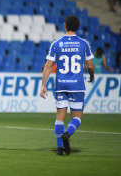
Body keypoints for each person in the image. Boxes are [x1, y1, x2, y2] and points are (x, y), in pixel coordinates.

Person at [41, 15, 95, 156]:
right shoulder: (84, 44)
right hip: (77, 85)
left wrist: (43, 85)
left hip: (61, 85)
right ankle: (67, 134)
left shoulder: (56, 43)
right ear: (78, 27)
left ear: (65, 25)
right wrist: (92, 75)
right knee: (77, 118)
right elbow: (90, 65)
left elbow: (48, 66)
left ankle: (60, 148)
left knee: (60, 117)